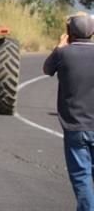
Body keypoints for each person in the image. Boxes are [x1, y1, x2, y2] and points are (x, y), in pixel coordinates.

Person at [43, 12, 94, 211]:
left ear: (69, 32)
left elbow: (47, 69)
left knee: (81, 177)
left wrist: (59, 46)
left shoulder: (63, 54)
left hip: (75, 126)